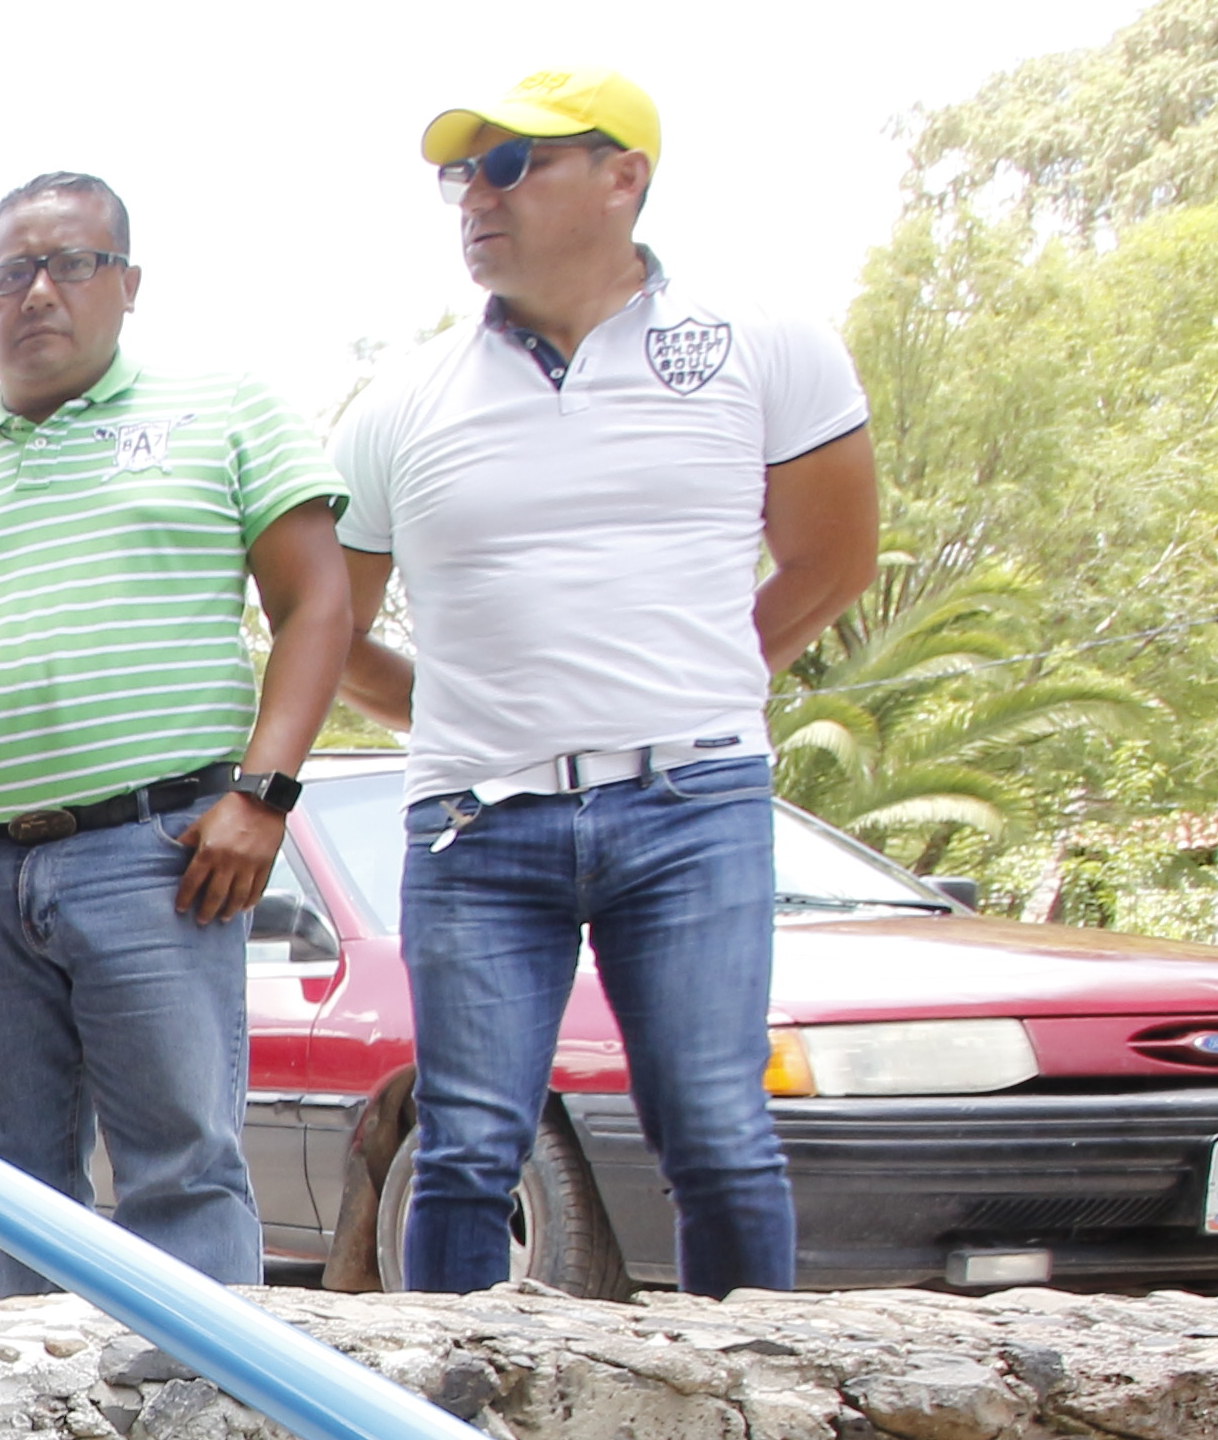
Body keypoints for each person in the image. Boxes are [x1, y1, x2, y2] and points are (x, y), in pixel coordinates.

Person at [335, 68, 879, 1296]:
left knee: (717, 1136)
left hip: (692, 805)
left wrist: (695, 687)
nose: (475, 194)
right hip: (479, 824)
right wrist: (482, 722)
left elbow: (835, 559)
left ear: (624, 175)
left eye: (511, 164)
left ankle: (754, 1428)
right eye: (459, 173)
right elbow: (329, 629)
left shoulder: (761, 346)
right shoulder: (399, 402)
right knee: (469, 1145)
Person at [0, 174, 353, 1301]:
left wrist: (261, 796)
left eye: (72, 263)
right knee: (7, 1182)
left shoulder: (223, 412)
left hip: (158, 854)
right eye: (9, 273)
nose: (38, 291)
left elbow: (318, 605)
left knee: (180, 1164)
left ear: (126, 284)